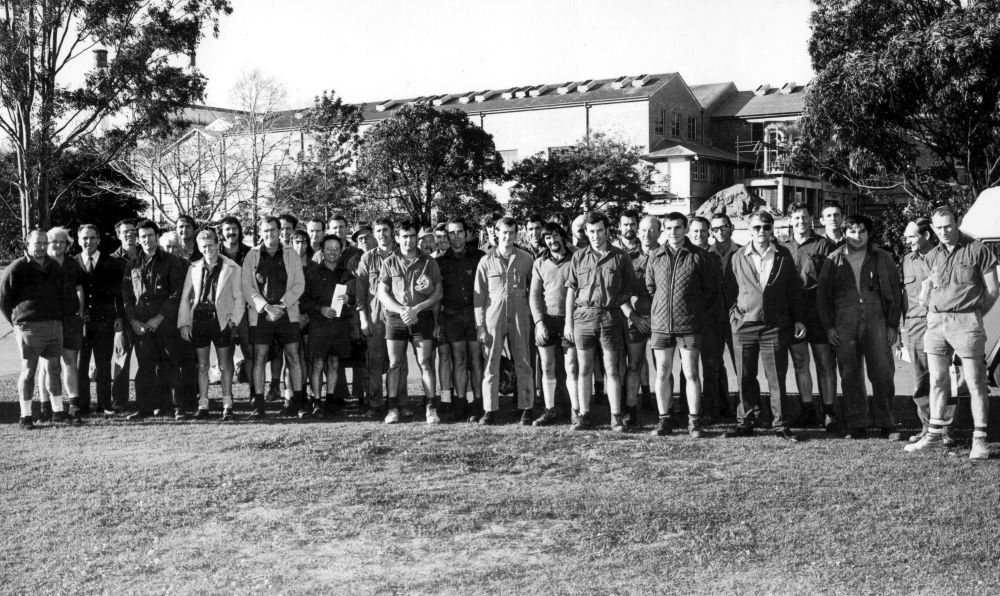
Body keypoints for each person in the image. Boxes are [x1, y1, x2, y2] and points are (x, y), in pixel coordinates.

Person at [906, 206, 999, 459]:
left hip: (966, 321)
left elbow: (992, 290)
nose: (944, 232)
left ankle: (979, 441)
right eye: (938, 228)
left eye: (948, 226)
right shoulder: (933, 255)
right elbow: (932, 284)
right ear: (932, 230)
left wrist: (974, 314)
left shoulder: (978, 249)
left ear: (956, 223)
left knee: (975, 381)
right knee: (936, 379)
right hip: (936, 323)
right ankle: (934, 434)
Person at [722, 211, 806, 442]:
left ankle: (781, 425)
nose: (762, 232)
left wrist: (798, 319)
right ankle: (744, 422)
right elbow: (729, 290)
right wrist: (734, 316)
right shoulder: (738, 256)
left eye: (766, 227)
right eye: (757, 227)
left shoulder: (783, 255)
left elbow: (793, 291)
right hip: (744, 326)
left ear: (772, 229)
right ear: (749, 229)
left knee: (776, 377)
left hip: (775, 326)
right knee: (745, 376)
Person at [817, 214, 902, 440]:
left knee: (883, 373)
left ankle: (887, 423)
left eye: (862, 231)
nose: (857, 236)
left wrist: (893, 324)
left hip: (877, 322)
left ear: (869, 233)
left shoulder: (882, 258)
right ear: (844, 233)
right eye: (852, 231)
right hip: (844, 323)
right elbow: (823, 297)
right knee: (850, 374)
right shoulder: (832, 260)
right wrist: (829, 327)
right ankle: (857, 423)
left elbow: (895, 292)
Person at [646, 213, 717, 437]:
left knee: (691, 373)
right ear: (664, 230)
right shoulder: (655, 256)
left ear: (685, 229)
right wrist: (660, 310)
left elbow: (709, 291)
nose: (673, 232)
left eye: (677, 228)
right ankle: (664, 420)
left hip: (689, 325)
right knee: (663, 373)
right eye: (669, 228)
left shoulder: (699, 256)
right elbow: (650, 287)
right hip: (660, 325)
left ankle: (694, 422)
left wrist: (692, 310)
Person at [564, 211, 635, 431]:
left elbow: (629, 288)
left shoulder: (620, 256)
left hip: (609, 318)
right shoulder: (578, 256)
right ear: (586, 232)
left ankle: (616, 415)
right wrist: (569, 323)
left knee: (612, 369)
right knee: (584, 368)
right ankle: (584, 415)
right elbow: (571, 291)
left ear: (607, 230)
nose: (596, 235)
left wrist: (613, 303)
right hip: (583, 318)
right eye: (591, 231)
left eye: (600, 231)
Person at [378, 219, 443, 424]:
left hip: (421, 316)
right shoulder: (389, 261)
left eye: (412, 236)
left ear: (417, 238)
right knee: (395, 363)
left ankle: (431, 409)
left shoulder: (428, 262)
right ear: (397, 238)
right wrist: (401, 310)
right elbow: (382, 293)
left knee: (425, 363)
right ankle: (392, 409)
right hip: (396, 317)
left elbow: (438, 292)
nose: (409, 240)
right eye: (404, 236)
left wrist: (416, 309)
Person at [241, 216, 306, 419]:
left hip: (288, 314)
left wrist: (281, 305)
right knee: (259, 358)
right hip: (261, 315)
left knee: (294, 357)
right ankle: (258, 407)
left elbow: (299, 284)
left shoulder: (291, 255)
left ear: (280, 232)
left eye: (273, 230)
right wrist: (266, 307)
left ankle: (299, 403)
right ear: (261, 233)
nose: (270, 234)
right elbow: (247, 286)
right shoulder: (252, 256)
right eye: (266, 231)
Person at [900, 218, 958, 446]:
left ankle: (946, 429)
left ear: (926, 235)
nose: (908, 241)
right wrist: (900, 327)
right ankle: (927, 428)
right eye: (907, 237)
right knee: (921, 380)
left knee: (945, 377)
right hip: (915, 326)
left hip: (941, 323)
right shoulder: (906, 260)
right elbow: (904, 296)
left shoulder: (945, 256)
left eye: (912, 236)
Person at [122, 220, 188, 420]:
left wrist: (159, 318)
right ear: (138, 240)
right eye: (143, 237)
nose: (147, 240)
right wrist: (133, 321)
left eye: (150, 235)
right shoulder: (132, 265)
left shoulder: (171, 261)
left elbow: (177, 293)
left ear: (157, 236)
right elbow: (127, 297)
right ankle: (145, 408)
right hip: (141, 326)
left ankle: (178, 408)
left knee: (171, 365)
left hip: (165, 323)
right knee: (145, 368)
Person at [1, 231, 66, 428]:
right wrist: (17, 323)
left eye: (45, 243)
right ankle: (26, 416)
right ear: (27, 243)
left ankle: (57, 412)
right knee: (29, 371)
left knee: (54, 370)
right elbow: (4, 299)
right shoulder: (17, 267)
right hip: (29, 327)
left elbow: (61, 293)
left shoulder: (54, 265)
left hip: (54, 325)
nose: (41, 246)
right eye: (37, 243)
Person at [474, 217, 536, 425]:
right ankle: (489, 409)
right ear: (496, 233)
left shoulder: (526, 259)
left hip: (520, 316)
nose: (508, 237)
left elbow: (535, 291)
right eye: (504, 233)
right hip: (494, 317)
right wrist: (480, 326)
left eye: (511, 233)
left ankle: (526, 407)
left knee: (524, 361)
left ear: (516, 234)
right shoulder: (486, 261)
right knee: (491, 363)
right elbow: (478, 298)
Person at [178, 229, 244, 421]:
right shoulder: (194, 268)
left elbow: (238, 298)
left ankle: (227, 405)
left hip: (222, 321)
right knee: (203, 365)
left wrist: (233, 321)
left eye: (211, 245)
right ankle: (203, 405)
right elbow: (185, 298)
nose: (208, 249)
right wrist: (184, 323)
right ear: (199, 247)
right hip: (199, 320)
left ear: (218, 244)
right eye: (203, 246)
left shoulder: (232, 267)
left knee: (225, 364)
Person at [783, 202, 838, 431]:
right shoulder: (782, 247)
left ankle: (829, 411)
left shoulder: (823, 245)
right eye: (796, 218)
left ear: (812, 219)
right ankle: (807, 408)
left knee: (825, 363)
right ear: (790, 221)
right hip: (793, 311)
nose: (800, 222)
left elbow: (831, 283)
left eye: (804, 217)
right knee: (800, 362)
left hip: (818, 309)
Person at [437, 217, 486, 421]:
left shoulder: (480, 257)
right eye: (451, 233)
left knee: (476, 361)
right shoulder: (440, 261)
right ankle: (460, 403)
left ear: (466, 233)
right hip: (452, 317)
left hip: (474, 316)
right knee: (458, 360)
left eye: (459, 232)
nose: (456, 236)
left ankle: (478, 403)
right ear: (447, 236)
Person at [302, 234, 357, 418]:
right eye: (328, 249)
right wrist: (321, 309)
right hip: (319, 325)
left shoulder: (347, 274)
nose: (332, 252)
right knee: (318, 363)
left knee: (334, 362)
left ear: (341, 251)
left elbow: (355, 301)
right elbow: (304, 302)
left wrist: (349, 299)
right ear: (322, 250)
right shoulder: (312, 273)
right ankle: (317, 401)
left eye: (336, 249)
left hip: (339, 326)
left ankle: (331, 400)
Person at [356, 218, 407, 418]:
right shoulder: (367, 258)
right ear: (373, 234)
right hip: (375, 317)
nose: (381, 234)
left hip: (397, 316)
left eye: (385, 230)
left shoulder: (402, 255)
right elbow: (360, 292)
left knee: (399, 362)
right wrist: (363, 318)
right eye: (378, 231)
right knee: (374, 363)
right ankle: (375, 404)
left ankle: (400, 403)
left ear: (392, 232)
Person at [530, 222, 578, 426]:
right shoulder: (540, 262)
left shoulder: (576, 258)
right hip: (547, 321)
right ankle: (550, 409)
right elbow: (534, 296)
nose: (552, 240)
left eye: (556, 235)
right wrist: (539, 322)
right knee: (547, 365)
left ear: (563, 236)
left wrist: (571, 321)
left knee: (571, 366)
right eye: (548, 237)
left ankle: (576, 410)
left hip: (571, 320)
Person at [37, 227, 85, 421]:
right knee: (47, 366)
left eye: (62, 242)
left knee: (70, 362)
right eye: (54, 241)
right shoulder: (40, 264)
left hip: (70, 320)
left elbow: (80, 289)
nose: (58, 245)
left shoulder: (72, 264)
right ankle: (45, 407)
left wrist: (80, 313)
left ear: (68, 244)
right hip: (46, 322)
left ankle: (74, 406)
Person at [77, 224, 124, 416]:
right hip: (80, 323)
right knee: (81, 366)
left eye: (92, 238)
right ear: (79, 240)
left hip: (105, 321)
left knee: (103, 364)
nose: (88, 242)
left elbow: (120, 294)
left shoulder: (112, 263)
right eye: (85, 238)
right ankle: (82, 405)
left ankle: (104, 404)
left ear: (99, 240)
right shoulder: (73, 263)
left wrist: (119, 315)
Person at [621, 215, 660, 428]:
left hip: (660, 321)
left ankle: (665, 411)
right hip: (635, 321)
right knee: (634, 364)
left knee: (662, 367)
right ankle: (631, 409)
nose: (647, 234)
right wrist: (635, 317)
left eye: (652, 230)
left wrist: (654, 318)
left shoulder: (667, 255)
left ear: (659, 232)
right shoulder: (627, 258)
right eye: (644, 230)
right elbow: (620, 293)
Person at [707, 213, 741, 415]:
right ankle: (715, 409)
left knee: (742, 365)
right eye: (715, 229)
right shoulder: (705, 254)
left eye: (724, 227)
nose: (720, 232)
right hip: (712, 318)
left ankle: (747, 410)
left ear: (732, 227)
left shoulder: (742, 252)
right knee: (713, 365)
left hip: (737, 317)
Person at [111, 219, 140, 411]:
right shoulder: (112, 260)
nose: (129, 235)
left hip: (144, 315)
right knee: (122, 357)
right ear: (118, 235)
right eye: (125, 232)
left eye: (132, 231)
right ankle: (119, 400)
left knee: (148, 358)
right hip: (122, 317)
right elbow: (111, 292)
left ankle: (146, 397)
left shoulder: (146, 255)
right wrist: (116, 317)